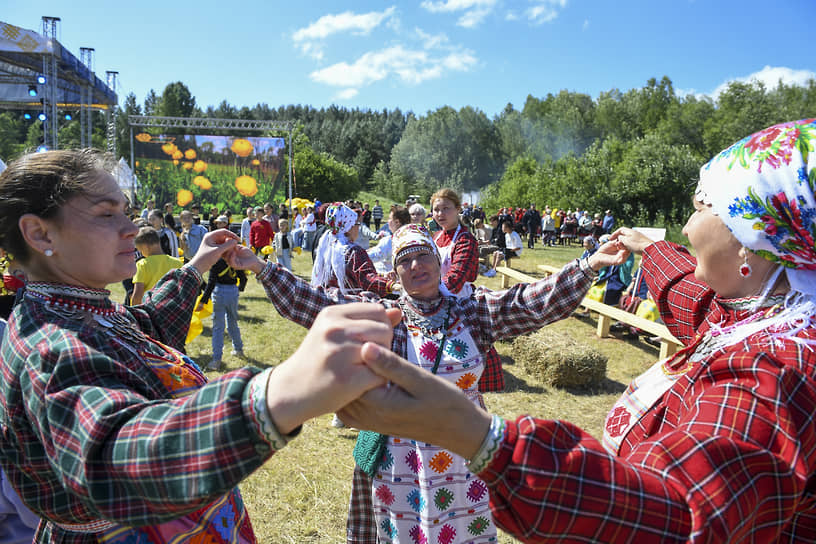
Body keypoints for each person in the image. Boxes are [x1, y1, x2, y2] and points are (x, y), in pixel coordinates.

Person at [338, 119, 816, 543]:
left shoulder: (776, 371)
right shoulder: (760, 311)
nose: (687, 226)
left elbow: (675, 513)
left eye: (702, 207)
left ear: (753, 236)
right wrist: (646, 251)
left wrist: (482, 438)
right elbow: (693, 296)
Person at [0, 148, 401, 543]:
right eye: (107, 214)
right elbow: (121, 454)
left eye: (125, 210)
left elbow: (147, 328)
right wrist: (283, 390)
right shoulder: (51, 347)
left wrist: (197, 265)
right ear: (40, 233)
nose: (130, 226)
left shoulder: (76, 310)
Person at [227, 222, 625, 544]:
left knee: (463, 532)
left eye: (423, 256)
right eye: (405, 261)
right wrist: (262, 268)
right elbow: (316, 304)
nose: (416, 266)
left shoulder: (472, 310)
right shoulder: (384, 316)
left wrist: (586, 266)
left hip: (464, 449)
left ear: (438, 262)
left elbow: (530, 302)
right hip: (400, 457)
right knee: (405, 533)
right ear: (394, 272)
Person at [311, 203, 395, 297]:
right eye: (357, 224)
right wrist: (392, 285)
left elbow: (353, 273)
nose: (358, 227)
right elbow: (368, 281)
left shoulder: (327, 246)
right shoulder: (354, 252)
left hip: (329, 302)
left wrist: (382, 276)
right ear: (349, 227)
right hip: (351, 304)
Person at [198, 215, 247, 371]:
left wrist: (203, 300)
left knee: (218, 327)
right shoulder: (235, 257)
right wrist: (239, 289)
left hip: (219, 292)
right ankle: (238, 349)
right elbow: (243, 278)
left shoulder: (217, 261)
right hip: (233, 292)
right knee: (233, 321)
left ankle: (216, 359)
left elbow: (211, 282)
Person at [430, 189, 478, 299]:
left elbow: (456, 279)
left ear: (458, 209)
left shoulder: (466, 240)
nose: (440, 214)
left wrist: (426, 293)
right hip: (433, 295)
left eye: (446, 208)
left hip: (459, 299)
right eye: (436, 210)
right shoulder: (435, 237)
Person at [130, 227, 184, 304]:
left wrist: (134, 311)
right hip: (172, 308)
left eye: (140, 250)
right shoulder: (177, 263)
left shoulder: (142, 264)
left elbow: (138, 294)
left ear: (146, 247)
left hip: (151, 308)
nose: (141, 253)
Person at [367, 205, 410, 275]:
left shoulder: (390, 241)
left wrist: (360, 254)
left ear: (397, 222)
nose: (388, 221)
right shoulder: (410, 238)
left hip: (387, 278)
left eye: (390, 218)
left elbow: (374, 256)